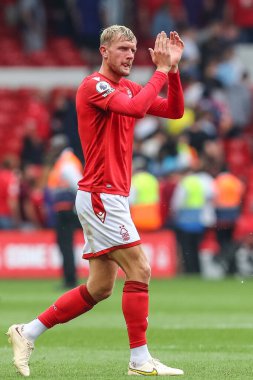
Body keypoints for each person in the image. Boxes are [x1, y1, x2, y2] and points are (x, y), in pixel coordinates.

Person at [7, 25, 185, 377]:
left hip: (108, 195)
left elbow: (175, 112)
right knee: (141, 270)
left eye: (133, 49)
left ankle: (27, 332)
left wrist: (174, 73)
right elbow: (134, 110)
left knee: (100, 288)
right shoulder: (94, 86)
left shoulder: (130, 87)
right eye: (122, 49)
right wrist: (160, 72)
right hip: (102, 195)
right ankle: (139, 360)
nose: (130, 55)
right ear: (104, 51)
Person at [46, 134, 83, 288]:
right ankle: (69, 278)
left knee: (65, 244)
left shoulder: (67, 163)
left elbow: (78, 184)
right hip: (65, 209)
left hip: (67, 210)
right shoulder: (65, 161)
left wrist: (78, 205)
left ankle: (70, 279)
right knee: (65, 244)